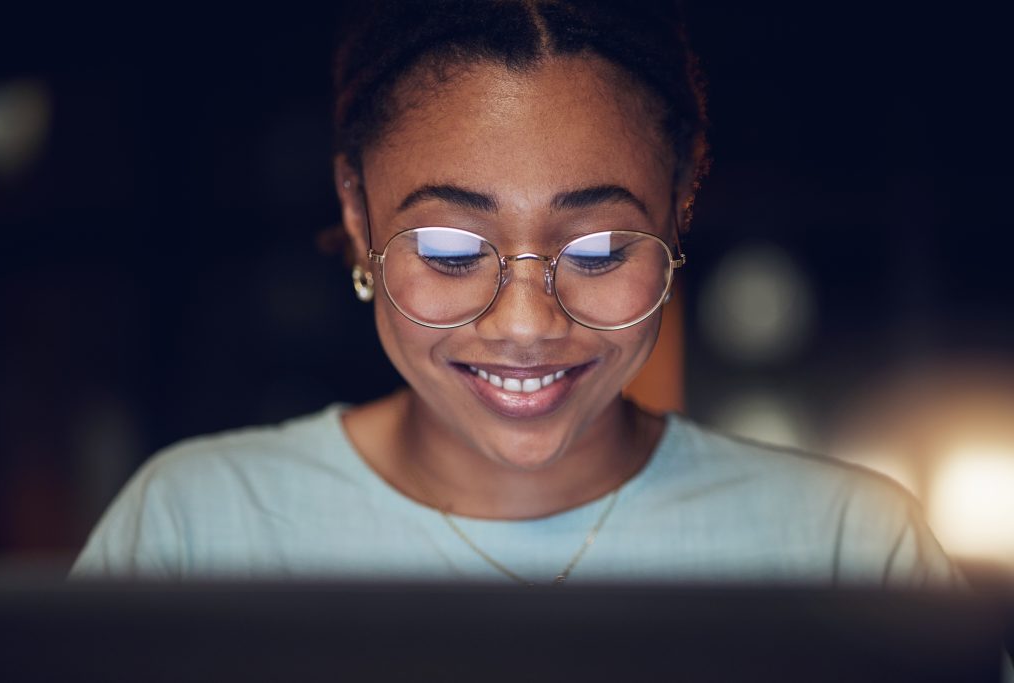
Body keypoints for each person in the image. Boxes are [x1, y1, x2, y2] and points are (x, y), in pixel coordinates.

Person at [70, 0, 958, 586]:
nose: (528, 325)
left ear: (683, 200)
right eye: (453, 248)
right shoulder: (203, 525)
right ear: (356, 206)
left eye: (602, 246)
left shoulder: (843, 546)